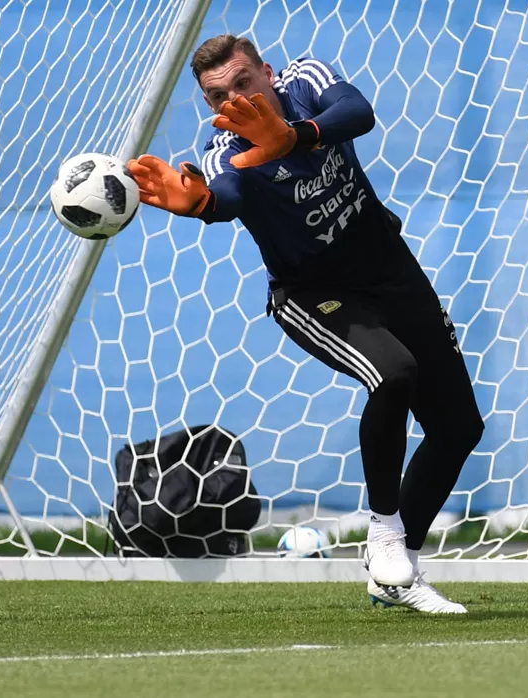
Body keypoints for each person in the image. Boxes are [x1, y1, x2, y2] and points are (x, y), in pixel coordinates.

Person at [127, 35, 484, 615]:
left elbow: (358, 112)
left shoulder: (305, 81)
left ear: (267, 72)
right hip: (314, 295)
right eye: (218, 96)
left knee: (459, 427)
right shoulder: (224, 151)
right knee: (395, 374)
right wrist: (201, 207)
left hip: (389, 269)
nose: (234, 100)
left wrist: (296, 137)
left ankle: (396, 574)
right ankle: (385, 534)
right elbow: (225, 193)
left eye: (243, 82)